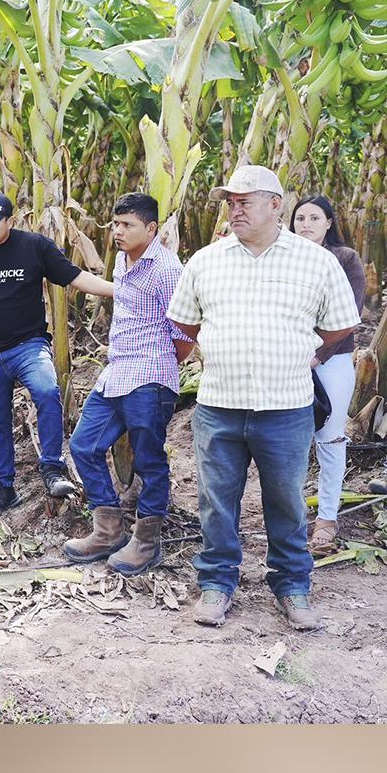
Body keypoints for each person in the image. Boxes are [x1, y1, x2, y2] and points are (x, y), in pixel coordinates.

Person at [167, 165, 361, 631]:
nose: (234, 210)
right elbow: (185, 321)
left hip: (286, 405)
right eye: (229, 202)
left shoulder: (317, 262)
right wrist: (220, 346)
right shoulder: (207, 260)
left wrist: (299, 348)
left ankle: (292, 586)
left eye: (244, 201)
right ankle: (216, 583)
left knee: (286, 500)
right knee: (216, 499)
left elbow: (341, 323)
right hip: (219, 404)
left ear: (276, 204)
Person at [0, 192, 115, 519]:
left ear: (10, 221)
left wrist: (119, 288)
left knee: (47, 391)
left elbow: (74, 277)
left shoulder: (34, 246)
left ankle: (52, 468)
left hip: (29, 345)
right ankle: (4, 488)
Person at [63, 193, 195, 574]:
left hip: (150, 377)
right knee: (84, 445)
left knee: (149, 462)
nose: (117, 232)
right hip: (116, 373)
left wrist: (165, 363)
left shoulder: (167, 270)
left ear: (151, 229)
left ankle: (147, 541)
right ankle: (108, 530)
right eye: (115, 224)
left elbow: (185, 331)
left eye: (127, 226)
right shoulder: (123, 260)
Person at [289, 194, 366, 555]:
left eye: (314, 218)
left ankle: (327, 520)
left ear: (329, 223)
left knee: (330, 438)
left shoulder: (345, 259)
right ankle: (291, 515)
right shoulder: (282, 259)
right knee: (289, 438)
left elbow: (348, 317)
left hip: (332, 360)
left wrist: (316, 355)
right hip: (288, 359)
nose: (305, 224)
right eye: (300, 218)